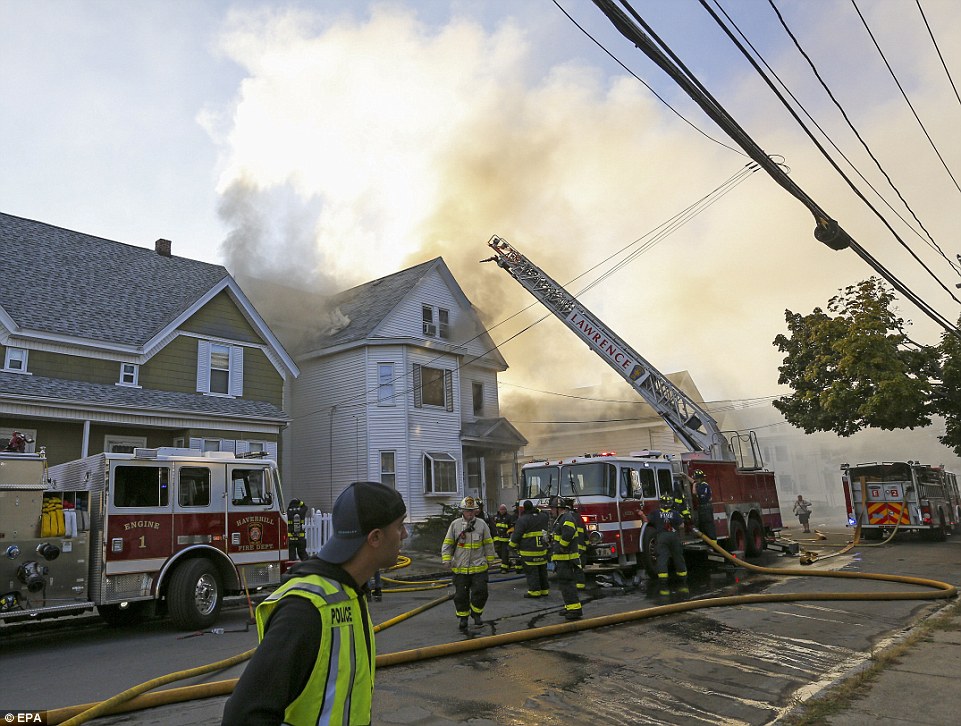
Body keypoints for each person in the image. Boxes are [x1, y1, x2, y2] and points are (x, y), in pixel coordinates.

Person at [222, 481, 407, 726]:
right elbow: (243, 717)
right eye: (400, 526)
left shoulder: (350, 591)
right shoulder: (305, 610)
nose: (404, 534)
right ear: (375, 537)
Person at [441, 496, 496, 631]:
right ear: (462, 511)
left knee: (481, 592)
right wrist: (446, 559)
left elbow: (488, 543)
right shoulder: (455, 525)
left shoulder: (482, 524)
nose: (470, 513)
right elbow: (447, 544)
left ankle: (476, 614)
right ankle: (463, 618)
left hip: (479, 567)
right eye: (467, 510)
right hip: (460, 568)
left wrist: (490, 559)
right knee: (461, 596)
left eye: (472, 510)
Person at [548, 496, 583, 620]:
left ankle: (575, 610)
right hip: (561, 558)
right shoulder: (559, 519)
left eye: (552, 508)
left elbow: (568, 533)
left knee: (568, 584)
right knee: (563, 584)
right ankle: (569, 606)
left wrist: (561, 546)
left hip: (567, 559)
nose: (551, 511)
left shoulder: (567, 518)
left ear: (558, 508)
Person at [647, 492, 688, 594]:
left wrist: (640, 514)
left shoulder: (655, 513)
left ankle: (663, 583)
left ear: (660, 503)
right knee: (678, 558)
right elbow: (682, 525)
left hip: (661, 537)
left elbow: (646, 520)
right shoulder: (675, 513)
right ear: (670, 503)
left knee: (662, 558)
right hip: (674, 537)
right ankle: (683, 581)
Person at [510, 499, 550, 599]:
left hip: (529, 552)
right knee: (542, 571)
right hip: (542, 551)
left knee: (532, 572)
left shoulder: (522, 519)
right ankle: (544, 590)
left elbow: (517, 535)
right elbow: (546, 515)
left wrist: (511, 546)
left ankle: (534, 591)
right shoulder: (543, 517)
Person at [691, 470, 717, 540]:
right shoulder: (701, 484)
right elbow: (693, 481)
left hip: (706, 509)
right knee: (703, 527)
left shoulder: (703, 486)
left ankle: (713, 545)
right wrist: (684, 475)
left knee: (708, 527)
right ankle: (708, 542)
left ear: (699, 478)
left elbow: (694, 493)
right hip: (704, 508)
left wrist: (693, 485)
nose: (695, 480)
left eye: (696, 478)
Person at [492, 503, 515, 573]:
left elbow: (512, 527)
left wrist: (508, 532)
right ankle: (508, 563)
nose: (502, 511)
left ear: (506, 510)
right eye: (501, 509)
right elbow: (493, 527)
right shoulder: (495, 517)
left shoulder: (509, 517)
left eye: (503, 509)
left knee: (505, 553)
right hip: (497, 539)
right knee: (498, 552)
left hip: (505, 539)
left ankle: (504, 568)